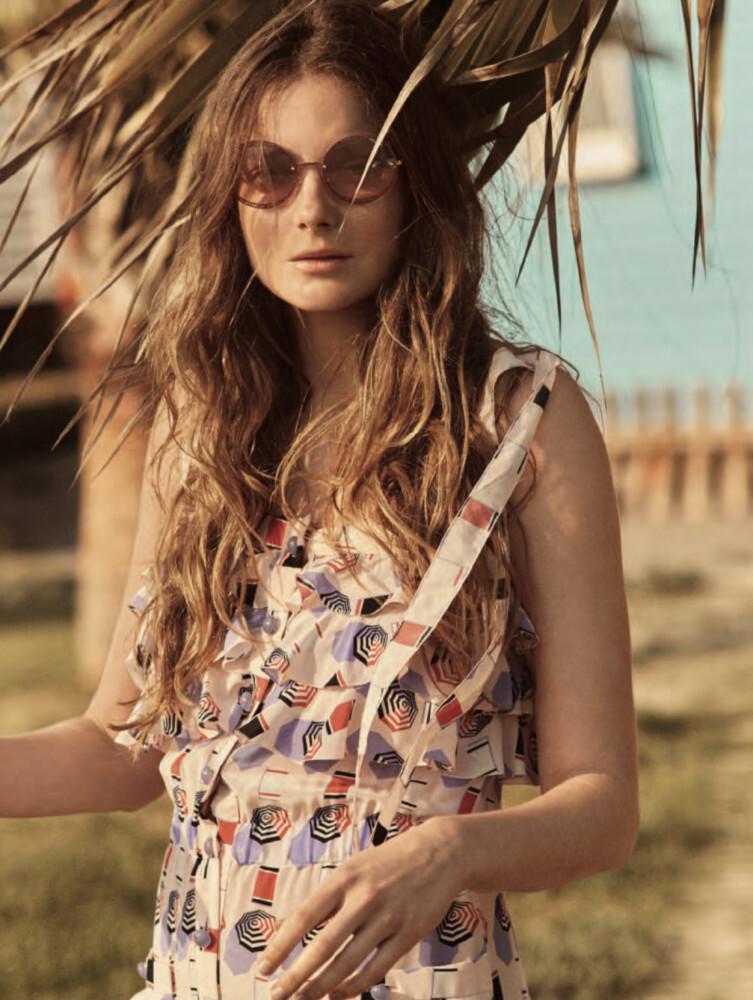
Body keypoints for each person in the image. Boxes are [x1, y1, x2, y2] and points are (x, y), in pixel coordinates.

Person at [1, 2, 639, 999]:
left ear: (416, 183)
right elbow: (123, 751)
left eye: (358, 164)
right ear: (230, 194)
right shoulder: (198, 428)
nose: (313, 207)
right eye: (270, 169)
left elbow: (602, 806)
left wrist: (450, 854)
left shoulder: (520, 424)